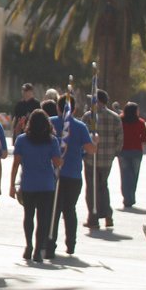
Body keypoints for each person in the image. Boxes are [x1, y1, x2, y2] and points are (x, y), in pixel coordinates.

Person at [8, 109, 62, 263]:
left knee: (28, 216)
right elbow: (57, 163)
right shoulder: (52, 141)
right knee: (43, 218)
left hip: (28, 183)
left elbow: (16, 163)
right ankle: (38, 249)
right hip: (46, 184)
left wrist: (12, 185)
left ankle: (28, 245)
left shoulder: (22, 140)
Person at [47, 95, 96, 257]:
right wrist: (95, 142)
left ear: (57, 108)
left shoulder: (51, 122)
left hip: (55, 174)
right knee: (69, 210)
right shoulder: (80, 127)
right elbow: (90, 150)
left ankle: (50, 242)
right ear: (74, 109)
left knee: (54, 209)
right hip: (73, 175)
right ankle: (71, 243)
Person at [83, 88, 122, 229]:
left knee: (91, 189)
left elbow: (83, 137)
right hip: (107, 159)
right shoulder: (115, 117)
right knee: (103, 187)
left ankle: (93, 218)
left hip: (90, 159)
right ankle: (107, 215)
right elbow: (120, 139)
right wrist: (113, 153)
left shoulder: (88, 117)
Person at [118, 101, 146, 209]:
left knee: (125, 175)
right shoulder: (140, 122)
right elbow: (144, 139)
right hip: (136, 152)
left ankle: (127, 198)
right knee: (134, 176)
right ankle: (131, 197)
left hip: (123, 151)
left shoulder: (120, 121)